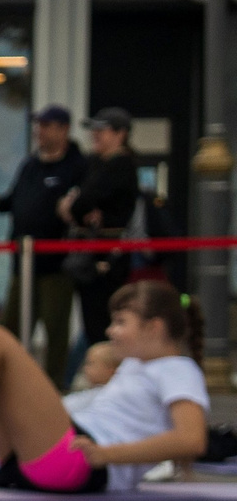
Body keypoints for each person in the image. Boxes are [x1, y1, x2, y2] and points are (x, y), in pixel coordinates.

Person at [0, 280, 208, 495]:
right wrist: (25, 427)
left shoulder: (178, 370)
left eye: (121, 322)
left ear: (154, 328)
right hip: (52, 459)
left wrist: (106, 454)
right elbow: (89, 407)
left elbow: (192, 440)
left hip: (79, 464)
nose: (111, 331)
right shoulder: (137, 366)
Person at [0, 105, 86, 387]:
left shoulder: (76, 166)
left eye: (47, 125)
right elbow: (16, 199)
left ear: (63, 129)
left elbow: (83, 207)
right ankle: (6, 382)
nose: (40, 131)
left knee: (55, 326)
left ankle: (54, 386)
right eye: (38, 125)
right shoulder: (30, 164)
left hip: (56, 262)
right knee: (13, 324)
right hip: (23, 260)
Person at [57, 106, 143, 389]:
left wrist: (78, 206)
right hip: (91, 255)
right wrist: (77, 206)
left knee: (101, 322)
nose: (95, 136)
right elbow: (75, 202)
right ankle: (94, 380)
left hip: (107, 258)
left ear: (120, 134)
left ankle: (106, 381)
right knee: (92, 323)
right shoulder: (96, 162)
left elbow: (82, 201)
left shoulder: (120, 165)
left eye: (102, 130)